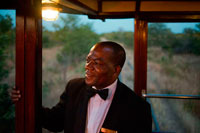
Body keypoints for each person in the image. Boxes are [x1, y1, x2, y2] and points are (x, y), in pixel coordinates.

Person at [11, 41, 152, 133]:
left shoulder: (138, 107)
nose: (87, 67)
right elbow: (55, 122)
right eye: (88, 60)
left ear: (116, 70)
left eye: (96, 63)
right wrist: (27, 102)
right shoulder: (74, 87)